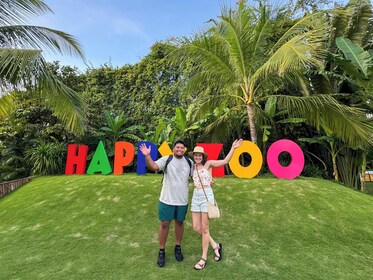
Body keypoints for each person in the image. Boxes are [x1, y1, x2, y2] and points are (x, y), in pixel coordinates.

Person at [189, 139, 243, 270]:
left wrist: (233, 148)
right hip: (195, 196)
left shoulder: (208, 164)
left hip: (206, 196)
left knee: (205, 228)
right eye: (195, 155)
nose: (197, 157)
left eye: (199, 155)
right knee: (196, 228)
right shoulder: (192, 166)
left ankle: (203, 258)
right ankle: (215, 246)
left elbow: (225, 161)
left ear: (203, 157)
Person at [139, 140, 193, 268]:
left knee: (179, 222)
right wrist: (147, 155)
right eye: (177, 147)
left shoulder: (189, 162)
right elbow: (153, 166)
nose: (179, 149)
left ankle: (178, 247)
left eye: (181, 147)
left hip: (182, 200)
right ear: (173, 149)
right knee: (164, 224)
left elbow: (196, 176)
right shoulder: (166, 159)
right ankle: (161, 251)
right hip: (166, 199)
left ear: (184, 149)